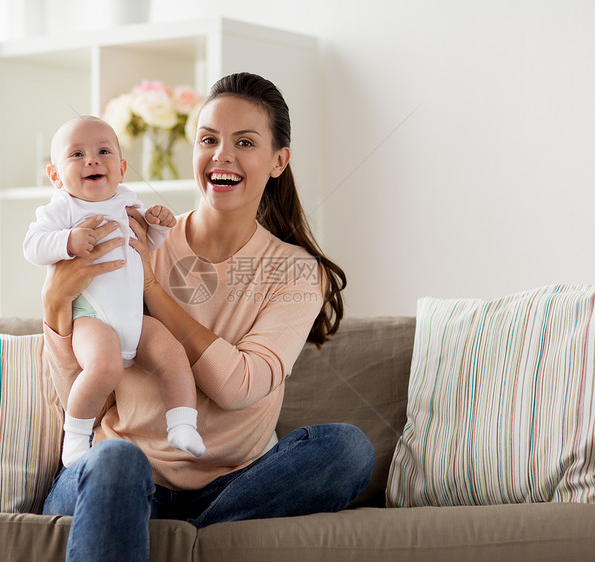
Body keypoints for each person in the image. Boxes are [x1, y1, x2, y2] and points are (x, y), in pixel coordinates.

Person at [41, 73, 375, 561]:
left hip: (234, 487)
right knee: (113, 458)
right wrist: (55, 308)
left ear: (278, 161)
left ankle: (182, 538)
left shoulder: (296, 271)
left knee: (348, 450)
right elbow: (85, 384)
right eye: (209, 140)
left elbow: (238, 386)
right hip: (126, 477)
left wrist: (154, 289)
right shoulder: (134, 234)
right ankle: (174, 538)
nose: (222, 155)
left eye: (245, 142)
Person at [24, 116, 205, 467]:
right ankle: (76, 436)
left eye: (103, 151)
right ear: (56, 176)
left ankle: (182, 424)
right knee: (105, 368)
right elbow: (32, 245)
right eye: (76, 154)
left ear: (121, 169)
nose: (92, 160)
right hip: (91, 316)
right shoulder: (65, 207)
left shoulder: (126, 201)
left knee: (173, 354)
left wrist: (159, 226)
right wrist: (67, 240)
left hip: (134, 315)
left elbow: (144, 246)